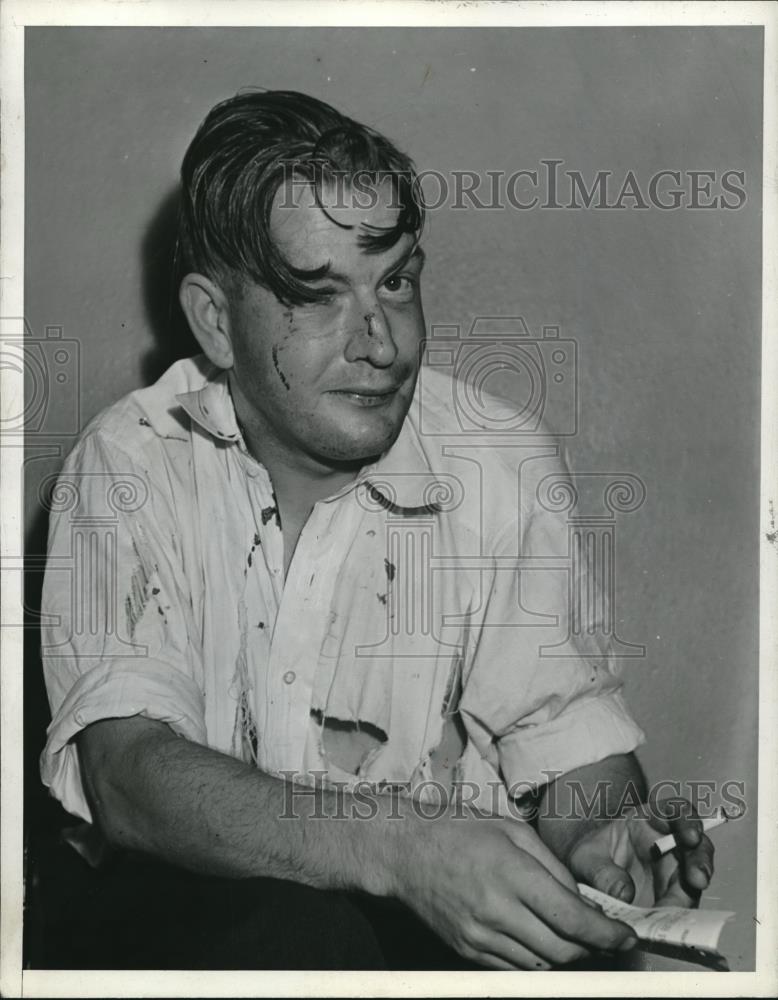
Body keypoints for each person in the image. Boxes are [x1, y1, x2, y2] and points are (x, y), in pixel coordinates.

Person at [38, 90, 714, 971]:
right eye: (317, 297)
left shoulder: (498, 458)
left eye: (394, 280)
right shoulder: (130, 463)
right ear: (215, 320)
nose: (382, 342)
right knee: (297, 934)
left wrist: (602, 842)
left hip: (420, 946)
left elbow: (568, 742)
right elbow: (129, 780)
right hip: (174, 928)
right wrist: (399, 846)